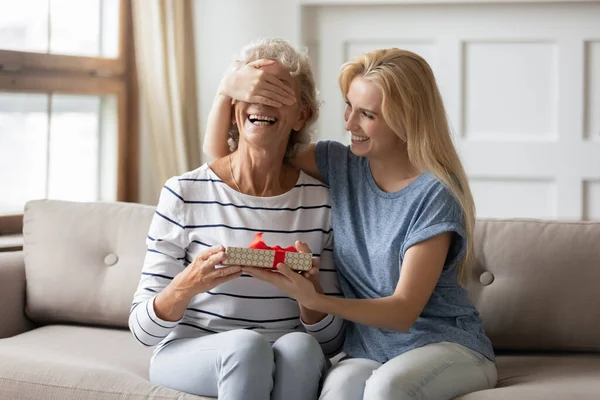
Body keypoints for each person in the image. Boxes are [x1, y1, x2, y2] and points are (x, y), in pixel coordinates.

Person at [203, 45, 497, 400]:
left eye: (367, 115)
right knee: (336, 389)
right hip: (370, 352)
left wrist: (314, 299)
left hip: (446, 346)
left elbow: (403, 311)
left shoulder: (434, 194)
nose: (348, 124)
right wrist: (227, 89)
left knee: (386, 389)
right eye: (349, 106)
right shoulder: (339, 163)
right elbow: (230, 156)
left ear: (406, 120)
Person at [129, 38, 344, 400]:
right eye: (250, 90)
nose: (261, 100)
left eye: (277, 91)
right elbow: (142, 330)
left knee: (304, 351)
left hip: (282, 349)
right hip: (190, 350)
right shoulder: (184, 192)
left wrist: (310, 296)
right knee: (246, 348)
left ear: (301, 116)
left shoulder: (320, 202)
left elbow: (331, 341)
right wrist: (188, 284)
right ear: (233, 107)